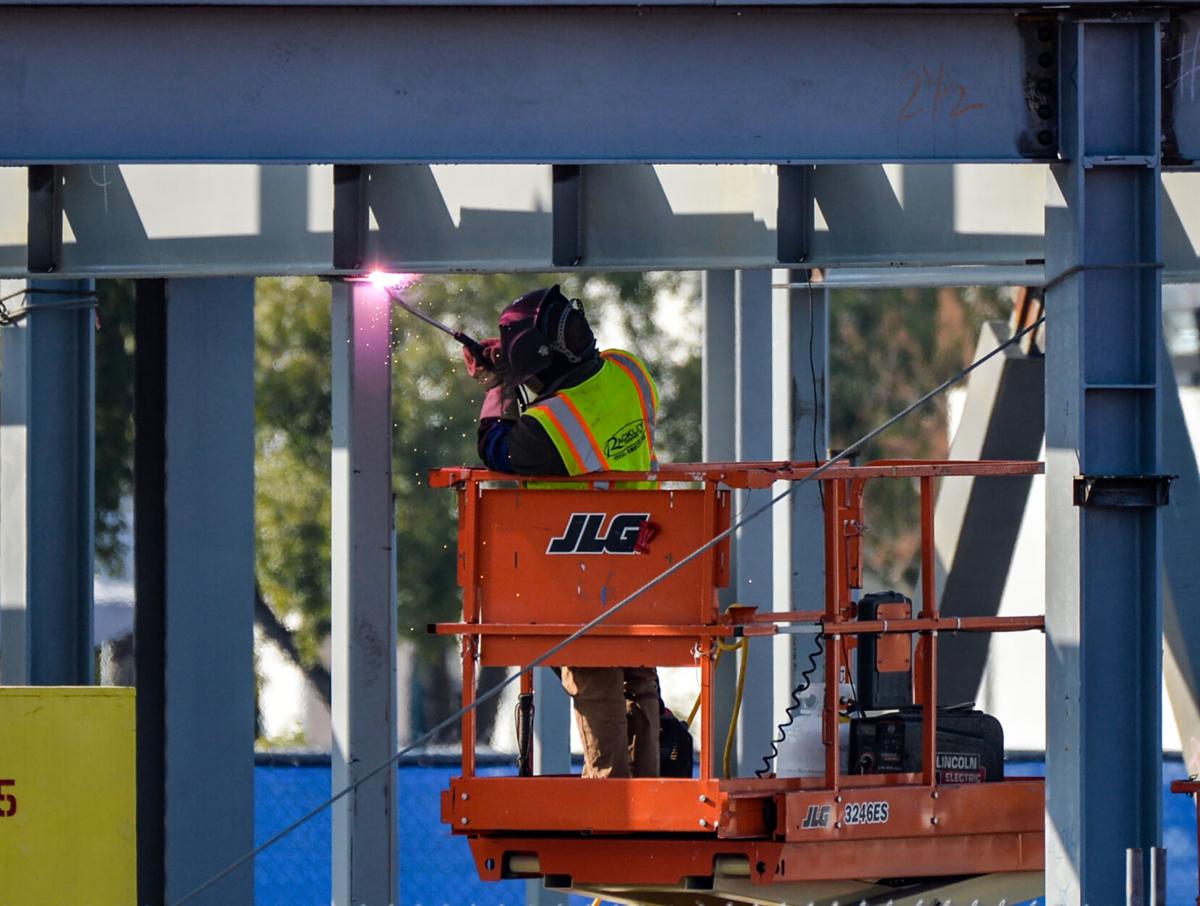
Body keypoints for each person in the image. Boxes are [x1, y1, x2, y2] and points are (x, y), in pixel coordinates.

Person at [465, 284, 661, 779]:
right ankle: (649, 788)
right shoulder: (630, 372)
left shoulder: (550, 427)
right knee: (637, 676)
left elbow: (495, 447)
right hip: (646, 561)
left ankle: (612, 797)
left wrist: (499, 384)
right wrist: (517, 361)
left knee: (594, 678)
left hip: (580, 573)